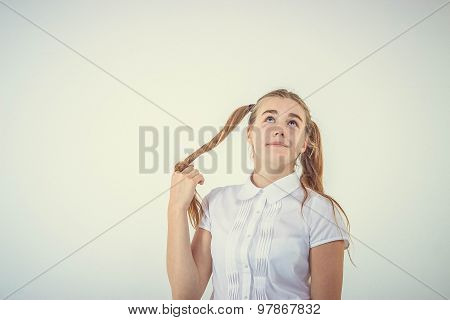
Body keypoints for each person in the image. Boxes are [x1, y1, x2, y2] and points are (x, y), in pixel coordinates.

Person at [167, 88, 354, 300]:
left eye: (292, 123)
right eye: (269, 118)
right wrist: (176, 208)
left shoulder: (320, 211)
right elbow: (185, 297)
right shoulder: (218, 202)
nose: (280, 129)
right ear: (250, 134)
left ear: (304, 143)